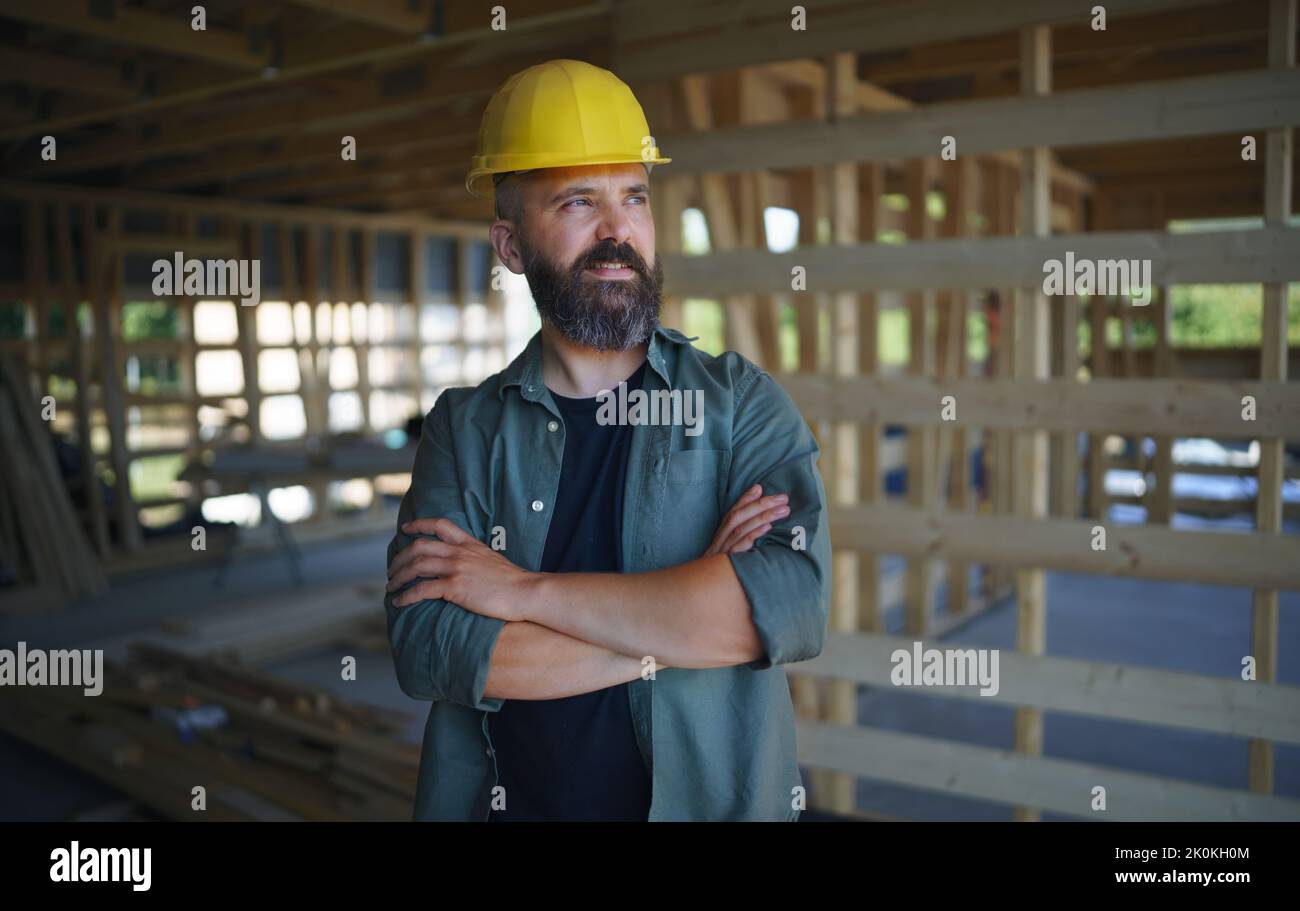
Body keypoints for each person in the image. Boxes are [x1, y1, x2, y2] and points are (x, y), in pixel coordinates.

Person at [384, 59, 831, 821]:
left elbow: (784, 611)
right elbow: (431, 647)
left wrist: (519, 593)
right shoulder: (463, 430)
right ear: (511, 244)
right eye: (578, 202)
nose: (618, 231)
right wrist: (686, 613)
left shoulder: (740, 405)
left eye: (634, 197)